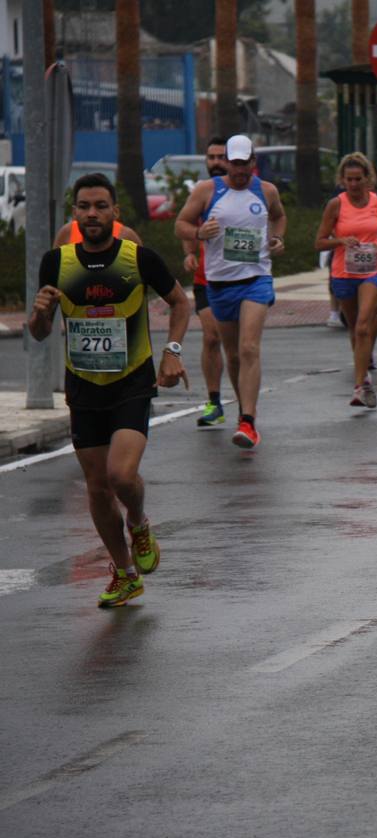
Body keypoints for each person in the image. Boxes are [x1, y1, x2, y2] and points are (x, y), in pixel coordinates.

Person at [27, 173, 192, 608]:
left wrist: (172, 352)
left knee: (121, 476)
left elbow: (181, 302)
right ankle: (125, 573)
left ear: (115, 212)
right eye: (84, 207)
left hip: (132, 382)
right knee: (98, 488)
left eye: (101, 206)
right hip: (83, 387)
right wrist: (40, 315)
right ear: (75, 212)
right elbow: (40, 332)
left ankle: (138, 521)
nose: (92, 214)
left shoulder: (138, 258)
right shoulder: (56, 262)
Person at [173, 135, 286, 449]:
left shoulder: (266, 191)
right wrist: (198, 233)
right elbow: (179, 223)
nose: (239, 170)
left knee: (249, 347)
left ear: (253, 162)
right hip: (220, 283)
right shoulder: (208, 191)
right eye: (234, 164)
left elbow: (278, 216)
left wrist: (277, 239)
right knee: (233, 354)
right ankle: (242, 411)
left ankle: (248, 421)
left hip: (256, 278)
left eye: (244, 163)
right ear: (227, 163)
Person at [315, 152, 377, 409]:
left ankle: (361, 384)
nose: (353, 184)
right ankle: (364, 370)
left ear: (367, 179)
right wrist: (340, 241)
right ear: (342, 180)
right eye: (348, 179)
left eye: (358, 179)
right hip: (343, 272)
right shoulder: (335, 205)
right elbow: (319, 243)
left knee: (364, 325)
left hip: (373, 269)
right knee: (355, 329)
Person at [181, 137, 230, 427]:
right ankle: (214, 401)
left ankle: (247, 408)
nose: (215, 163)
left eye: (221, 157)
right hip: (206, 279)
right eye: (211, 157)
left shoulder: (250, 189)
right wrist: (189, 253)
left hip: (240, 279)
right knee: (211, 337)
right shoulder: (203, 191)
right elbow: (185, 226)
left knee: (236, 345)